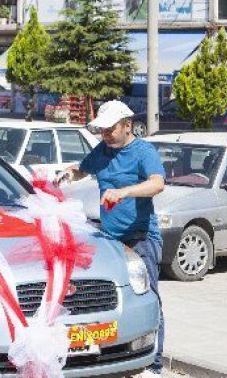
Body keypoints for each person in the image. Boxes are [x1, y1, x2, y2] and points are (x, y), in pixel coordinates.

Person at [58, 100, 166, 377]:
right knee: (110, 296)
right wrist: (70, 173)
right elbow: (83, 168)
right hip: (110, 239)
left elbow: (157, 183)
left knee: (148, 297)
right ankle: (115, 354)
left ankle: (153, 365)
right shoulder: (103, 150)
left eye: (109, 129)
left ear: (127, 125)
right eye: (101, 130)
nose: (104, 135)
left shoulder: (144, 151)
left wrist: (124, 192)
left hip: (141, 237)